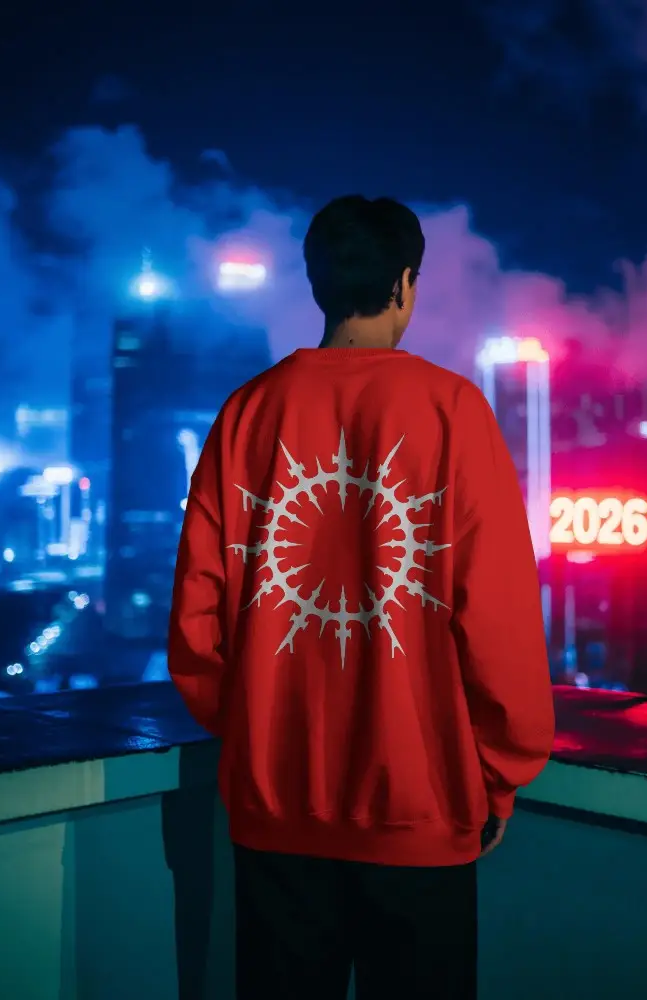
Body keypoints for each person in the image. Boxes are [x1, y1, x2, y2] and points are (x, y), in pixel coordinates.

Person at [168, 194, 555, 999]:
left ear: (316, 285)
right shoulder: (454, 412)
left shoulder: (245, 413)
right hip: (423, 810)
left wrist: (255, 731)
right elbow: (501, 623)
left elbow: (197, 627)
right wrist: (501, 771)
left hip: (273, 806)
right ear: (405, 284)